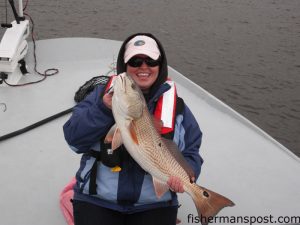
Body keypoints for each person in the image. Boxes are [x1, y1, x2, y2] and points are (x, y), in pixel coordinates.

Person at [63, 33, 203, 225]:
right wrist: (102, 110)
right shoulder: (100, 98)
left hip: (154, 205)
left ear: (160, 66)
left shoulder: (178, 109)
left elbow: (191, 152)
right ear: (125, 66)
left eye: (151, 60)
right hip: (97, 200)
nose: (143, 67)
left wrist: (188, 175)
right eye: (135, 61)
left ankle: (205, 202)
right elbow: (74, 139)